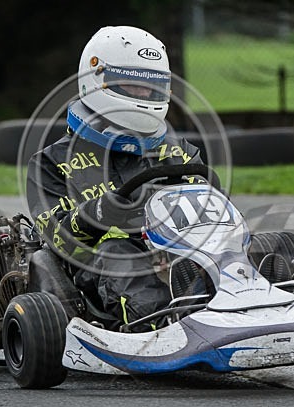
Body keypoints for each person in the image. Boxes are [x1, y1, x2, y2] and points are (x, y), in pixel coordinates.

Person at [27, 26, 206, 331]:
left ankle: (266, 304)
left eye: (151, 87)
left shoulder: (181, 154)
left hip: (177, 252)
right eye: (131, 84)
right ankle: (157, 326)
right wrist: (97, 213)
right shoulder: (51, 163)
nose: (142, 93)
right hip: (100, 267)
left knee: (254, 244)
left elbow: (209, 212)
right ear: (96, 82)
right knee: (119, 253)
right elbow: (56, 238)